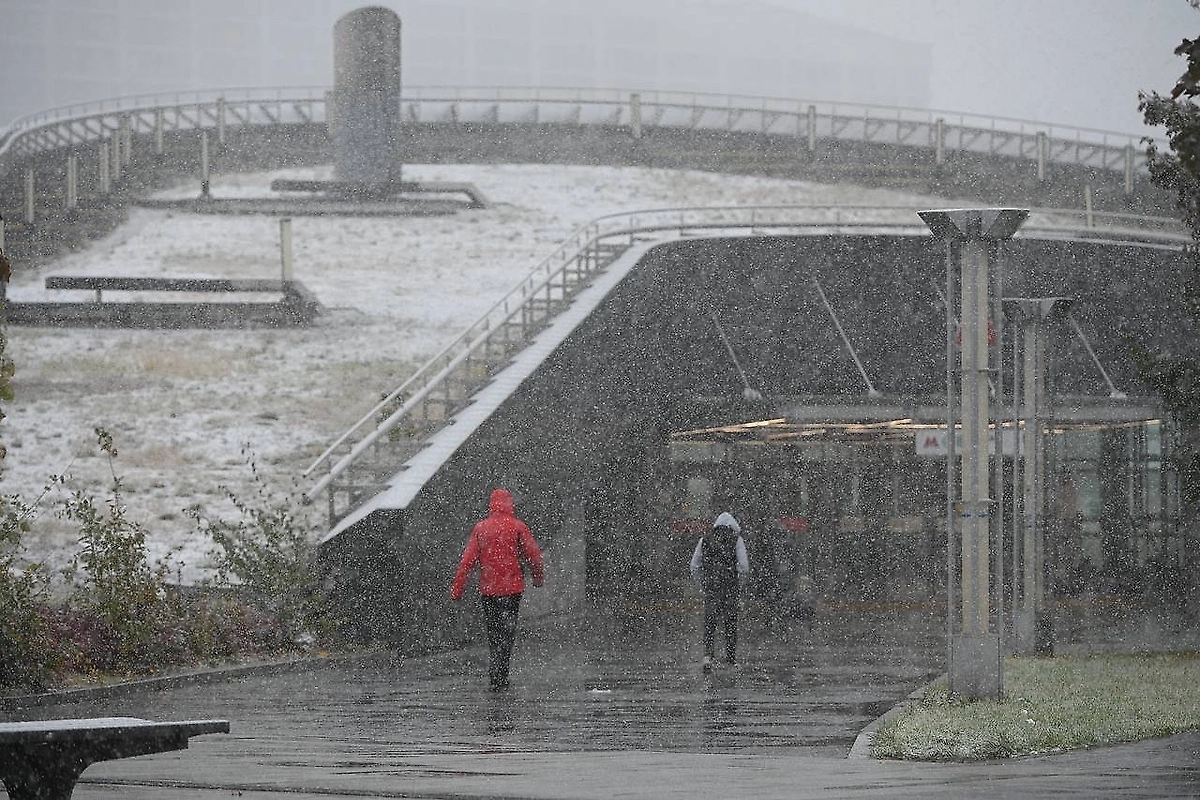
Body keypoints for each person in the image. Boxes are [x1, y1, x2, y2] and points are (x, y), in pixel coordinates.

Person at [450, 487, 545, 690]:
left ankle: (496, 672)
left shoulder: (481, 529)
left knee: (493, 632)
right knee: (507, 632)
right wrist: (537, 578)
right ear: (510, 504)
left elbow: (467, 562)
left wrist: (457, 588)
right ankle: (501, 674)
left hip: (489, 590)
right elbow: (534, 555)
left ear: (491, 505)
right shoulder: (518, 527)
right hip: (512, 590)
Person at [690, 511, 750, 673]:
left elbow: (694, 566)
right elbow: (744, 567)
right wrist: (739, 583)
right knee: (730, 623)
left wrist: (703, 585)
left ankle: (708, 656)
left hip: (712, 586)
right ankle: (730, 659)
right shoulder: (737, 540)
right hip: (730, 586)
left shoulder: (705, 539)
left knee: (710, 622)